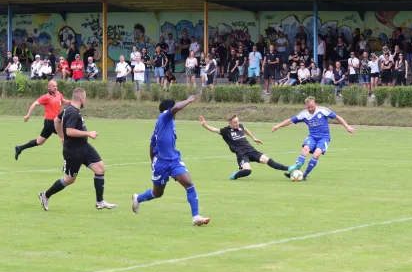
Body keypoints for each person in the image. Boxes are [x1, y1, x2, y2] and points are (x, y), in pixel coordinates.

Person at [131, 96, 210, 226]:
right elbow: (176, 108)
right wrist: (189, 100)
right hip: (161, 163)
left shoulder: (166, 123)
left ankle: (196, 217)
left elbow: (152, 143)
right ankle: (138, 198)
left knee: (189, 184)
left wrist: (152, 160)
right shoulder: (164, 117)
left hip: (174, 160)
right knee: (157, 193)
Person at [38, 88, 116, 211]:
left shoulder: (68, 110)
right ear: (81, 99)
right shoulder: (72, 112)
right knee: (69, 180)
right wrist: (88, 133)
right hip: (73, 151)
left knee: (100, 168)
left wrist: (62, 137)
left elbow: (56, 121)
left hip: (84, 147)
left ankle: (100, 201)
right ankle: (45, 195)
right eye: (85, 99)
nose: (85, 101)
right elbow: (69, 131)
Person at [272, 96, 356, 181]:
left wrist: (347, 127)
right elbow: (290, 121)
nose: (310, 109)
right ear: (306, 106)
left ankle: (304, 175)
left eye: (312, 107)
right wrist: (278, 126)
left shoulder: (323, 111)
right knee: (305, 149)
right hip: (312, 137)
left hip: (324, 138)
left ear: (315, 104)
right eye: (308, 107)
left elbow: (337, 117)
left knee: (316, 154)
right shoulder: (304, 114)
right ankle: (295, 170)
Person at [200, 114, 297, 180]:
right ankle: (235, 175)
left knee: (268, 161)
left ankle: (289, 168)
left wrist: (253, 138)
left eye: (237, 122)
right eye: (235, 123)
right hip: (242, 154)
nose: (237, 124)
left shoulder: (240, 126)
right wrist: (204, 124)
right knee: (247, 171)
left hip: (251, 150)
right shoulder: (225, 131)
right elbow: (213, 129)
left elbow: (245, 129)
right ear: (229, 123)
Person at [15, 80, 70, 160]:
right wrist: (28, 115)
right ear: (49, 87)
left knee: (39, 141)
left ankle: (20, 148)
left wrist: (73, 102)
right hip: (51, 123)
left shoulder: (58, 94)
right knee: (65, 137)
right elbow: (35, 104)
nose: (55, 88)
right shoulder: (46, 97)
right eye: (53, 86)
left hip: (53, 123)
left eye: (56, 86)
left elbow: (63, 101)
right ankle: (69, 159)